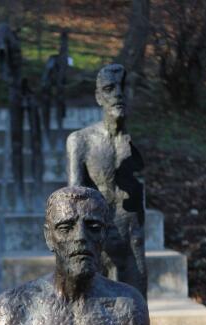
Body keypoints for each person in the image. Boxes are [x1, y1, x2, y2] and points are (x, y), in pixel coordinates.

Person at [0, 186, 152, 325]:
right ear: (49, 237)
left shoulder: (128, 305)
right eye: (66, 228)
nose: (81, 237)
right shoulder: (15, 307)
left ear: (104, 235)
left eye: (94, 228)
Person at [66, 64, 147, 297]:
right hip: (97, 246)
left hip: (133, 245)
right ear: (99, 97)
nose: (118, 94)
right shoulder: (80, 141)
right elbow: (74, 203)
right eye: (110, 89)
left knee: (138, 317)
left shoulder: (136, 145)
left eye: (122, 88)